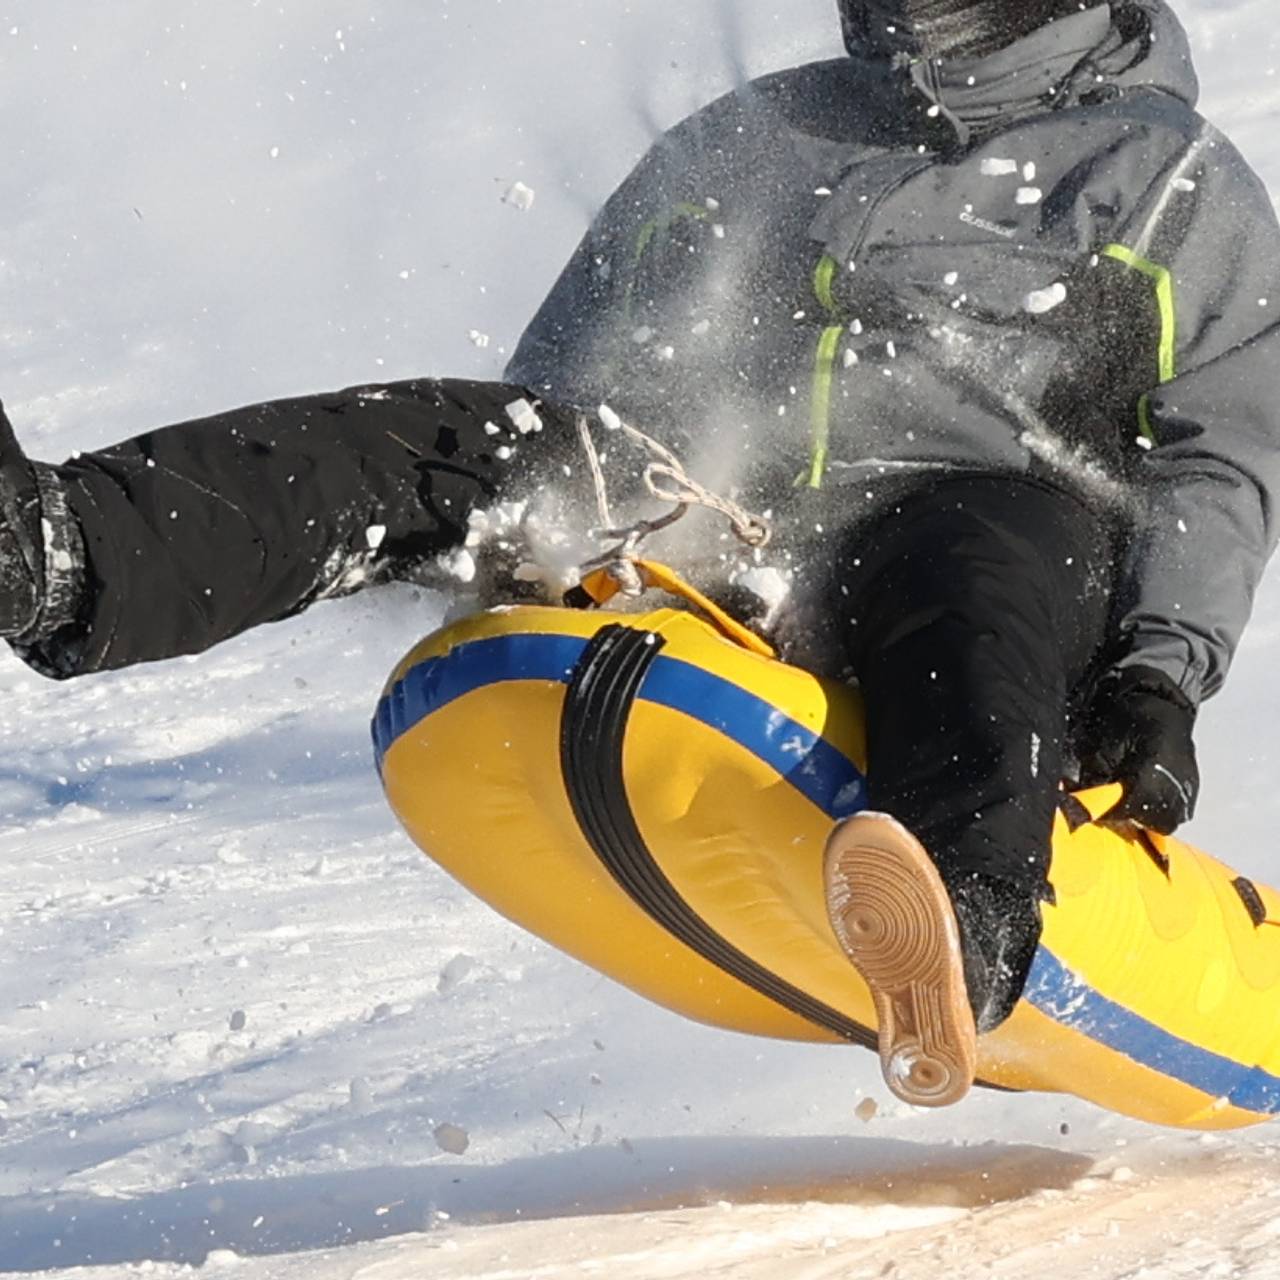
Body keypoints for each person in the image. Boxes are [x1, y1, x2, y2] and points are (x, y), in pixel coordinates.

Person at [2, 0, 1278, 1105]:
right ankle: (64, 554)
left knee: (985, 548)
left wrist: (1158, 676)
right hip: (722, 532)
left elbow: (1218, 459)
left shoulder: (1163, 178)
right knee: (465, 435)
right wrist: (527, 511)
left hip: (971, 547)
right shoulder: (768, 131)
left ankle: (961, 919)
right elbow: (570, 371)